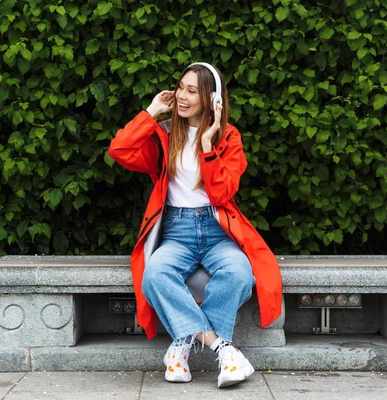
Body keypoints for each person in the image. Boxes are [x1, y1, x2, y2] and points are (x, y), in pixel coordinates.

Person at [108, 62, 282, 388]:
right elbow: (119, 149)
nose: (182, 96)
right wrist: (151, 111)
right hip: (176, 229)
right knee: (155, 273)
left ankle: (180, 347)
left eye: (192, 91)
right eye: (181, 87)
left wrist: (206, 145)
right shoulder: (163, 132)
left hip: (217, 230)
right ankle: (224, 349)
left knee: (240, 274)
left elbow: (221, 192)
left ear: (211, 99)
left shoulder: (228, 137)